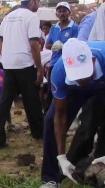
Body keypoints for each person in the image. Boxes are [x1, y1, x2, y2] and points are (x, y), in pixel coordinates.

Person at [40, 38, 105, 187]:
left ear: (93, 60)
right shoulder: (59, 71)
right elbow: (60, 114)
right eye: (76, 76)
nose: (80, 80)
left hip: (101, 83)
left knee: (93, 122)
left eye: (83, 75)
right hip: (74, 92)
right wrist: (61, 156)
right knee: (50, 121)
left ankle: (100, 162)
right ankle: (50, 178)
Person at [0, 0, 43, 149]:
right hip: (25, 64)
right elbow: (34, 44)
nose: (38, 5)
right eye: (38, 2)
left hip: (9, 64)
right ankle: (39, 133)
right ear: (32, 2)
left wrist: (5, 54)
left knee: (4, 102)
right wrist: (39, 68)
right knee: (31, 100)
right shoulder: (32, 16)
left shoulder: (9, 17)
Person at [43, 2, 78, 113]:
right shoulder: (54, 28)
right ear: (56, 14)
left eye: (64, 11)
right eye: (59, 11)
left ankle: (67, 115)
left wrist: (64, 46)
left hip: (69, 63)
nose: (62, 13)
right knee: (51, 91)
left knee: (69, 90)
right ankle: (48, 116)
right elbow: (47, 44)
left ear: (69, 12)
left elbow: (79, 45)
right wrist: (53, 46)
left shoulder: (75, 28)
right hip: (54, 64)